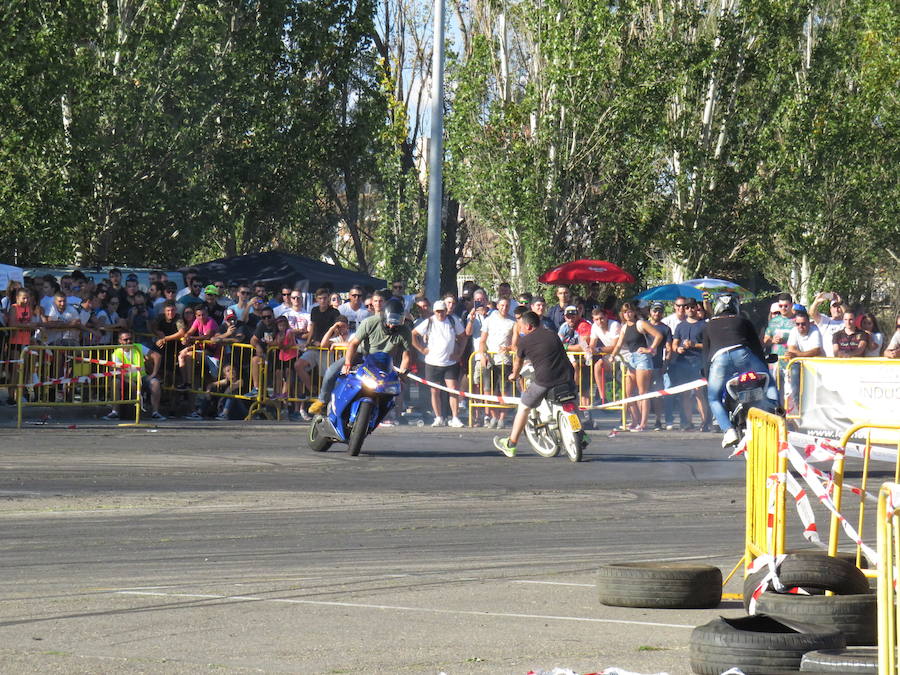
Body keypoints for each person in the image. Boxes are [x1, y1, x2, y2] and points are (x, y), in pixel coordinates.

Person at [492, 311, 579, 457]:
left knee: (524, 407)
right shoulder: (552, 334)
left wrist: (514, 375)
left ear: (528, 326)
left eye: (521, 327)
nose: (520, 330)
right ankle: (580, 433)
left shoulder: (525, 341)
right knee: (572, 402)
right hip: (567, 377)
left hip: (545, 380)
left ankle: (511, 444)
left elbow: (518, 362)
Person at [307, 297, 412, 415]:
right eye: (390, 321)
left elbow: (406, 356)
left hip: (383, 362)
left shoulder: (405, 331)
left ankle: (383, 413)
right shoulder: (370, 322)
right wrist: (347, 363)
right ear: (385, 317)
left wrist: (402, 373)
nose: (392, 326)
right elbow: (353, 344)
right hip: (361, 355)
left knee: (393, 386)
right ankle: (322, 401)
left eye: (396, 322)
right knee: (331, 371)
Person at [702, 294, 778, 448]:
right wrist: (763, 365)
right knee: (769, 382)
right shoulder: (743, 321)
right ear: (735, 306)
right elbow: (756, 347)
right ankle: (777, 412)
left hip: (719, 360)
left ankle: (728, 430)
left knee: (713, 398)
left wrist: (706, 373)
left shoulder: (709, 325)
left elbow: (705, 355)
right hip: (743, 356)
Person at [608, 302, 663, 432]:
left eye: (630, 311)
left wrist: (650, 349)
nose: (628, 314)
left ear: (634, 312)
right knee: (628, 392)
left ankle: (643, 423)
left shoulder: (641, 323)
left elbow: (658, 336)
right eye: (625, 312)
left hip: (642, 359)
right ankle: (634, 421)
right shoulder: (624, 327)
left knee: (642, 392)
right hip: (631, 359)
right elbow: (619, 344)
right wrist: (612, 356)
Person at [412, 299, 467, 427]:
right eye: (437, 312)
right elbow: (413, 334)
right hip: (432, 362)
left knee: (453, 390)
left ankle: (455, 417)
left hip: (450, 363)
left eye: (442, 311)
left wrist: (459, 353)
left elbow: (463, 337)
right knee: (434, 391)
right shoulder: (429, 322)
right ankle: (438, 417)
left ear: (445, 311)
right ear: (434, 311)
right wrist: (421, 349)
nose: (440, 314)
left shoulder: (453, 321)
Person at [102, 329, 166, 421]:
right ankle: (114, 412)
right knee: (115, 381)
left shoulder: (138, 347)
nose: (129, 341)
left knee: (155, 382)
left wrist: (154, 374)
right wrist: (130, 381)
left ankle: (155, 412)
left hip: (142, 377)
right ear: (120, 341)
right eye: (125, 339)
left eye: (130, 339)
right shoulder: (116, 353)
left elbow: (157, 356)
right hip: (125, 379)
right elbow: (117, 373)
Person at [670, 300, 710, 431]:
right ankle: (687, 422)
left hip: (698, 362)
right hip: (683, 363)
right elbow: (674, 343)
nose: (689, 309)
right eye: (686, 307)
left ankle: (705, 422)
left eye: (692, 307)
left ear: (696, 308)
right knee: (685, 394)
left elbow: (708, 345)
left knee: (699, 393)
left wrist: (694, 345)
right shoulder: (680, 326)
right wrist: (677, 349)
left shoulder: (703, 325)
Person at [477, 297, 515, 429]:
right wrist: (482, 355)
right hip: (490, 359)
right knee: (489, 390)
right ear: (497, 306)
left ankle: (502, 418)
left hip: (505, 360)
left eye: (507, 305)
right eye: (502, 305)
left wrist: (509, 348)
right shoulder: (489, 320)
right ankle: (493, 415)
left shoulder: (513, 322)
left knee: (504, 391)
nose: (504, 308)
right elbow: (482, 341)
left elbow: (516, 343)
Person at [646, 302, 673, 430]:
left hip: (657, 365)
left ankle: (658, 420)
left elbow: (668, 348)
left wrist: (665, 364)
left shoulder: (666, 329)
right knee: (641, 393)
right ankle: (640, 421)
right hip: (643, 364)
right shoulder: (643, 326)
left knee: (657, 394)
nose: (657, 313)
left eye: (660, 311)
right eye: (655, 311)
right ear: (650, 312)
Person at [588, 307, 621, 404]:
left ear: (606, 317)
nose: (599, 321)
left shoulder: (614, 325)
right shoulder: (594, 326)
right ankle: (603, 398)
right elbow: (592, 344)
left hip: (623, 356)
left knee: (627, 388)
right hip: (610, 358)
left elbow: (615, 346)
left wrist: (597, 350)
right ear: (593, 320)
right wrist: (589, 349)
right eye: (596, 319)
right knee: (599, 364)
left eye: (601, 318)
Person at [809, 292, 845, 357]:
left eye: (839, 307)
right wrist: (816, 302)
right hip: (825, 359)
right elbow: (812, 313)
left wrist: (841, 302)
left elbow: (849, 314)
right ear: (830, 309)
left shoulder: (847, 322)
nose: (836, 310)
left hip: (841, 360)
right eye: (834, 307)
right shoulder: (825, 320)